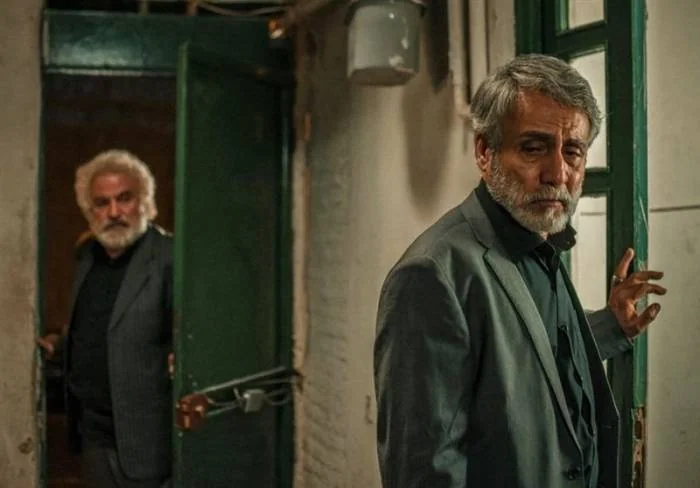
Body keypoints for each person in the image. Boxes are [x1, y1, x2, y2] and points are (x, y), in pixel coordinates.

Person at [374, 54, 667, 488]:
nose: (557, 173)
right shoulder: (431, 275)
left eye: (573, 151)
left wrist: (611, 325)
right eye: (533, 148)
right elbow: (423, 472)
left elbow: (523, 361)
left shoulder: (536, 242)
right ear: (484, 152)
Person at [37, 150, 173, 488]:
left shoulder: (170, 257)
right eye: (101, 203)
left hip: (146, 443)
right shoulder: (87, 256)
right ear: (89, 211)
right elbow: (98, 324)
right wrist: (59, 344)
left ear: (146, 202)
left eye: (124, 198)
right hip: (92, 435)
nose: (113, 212)